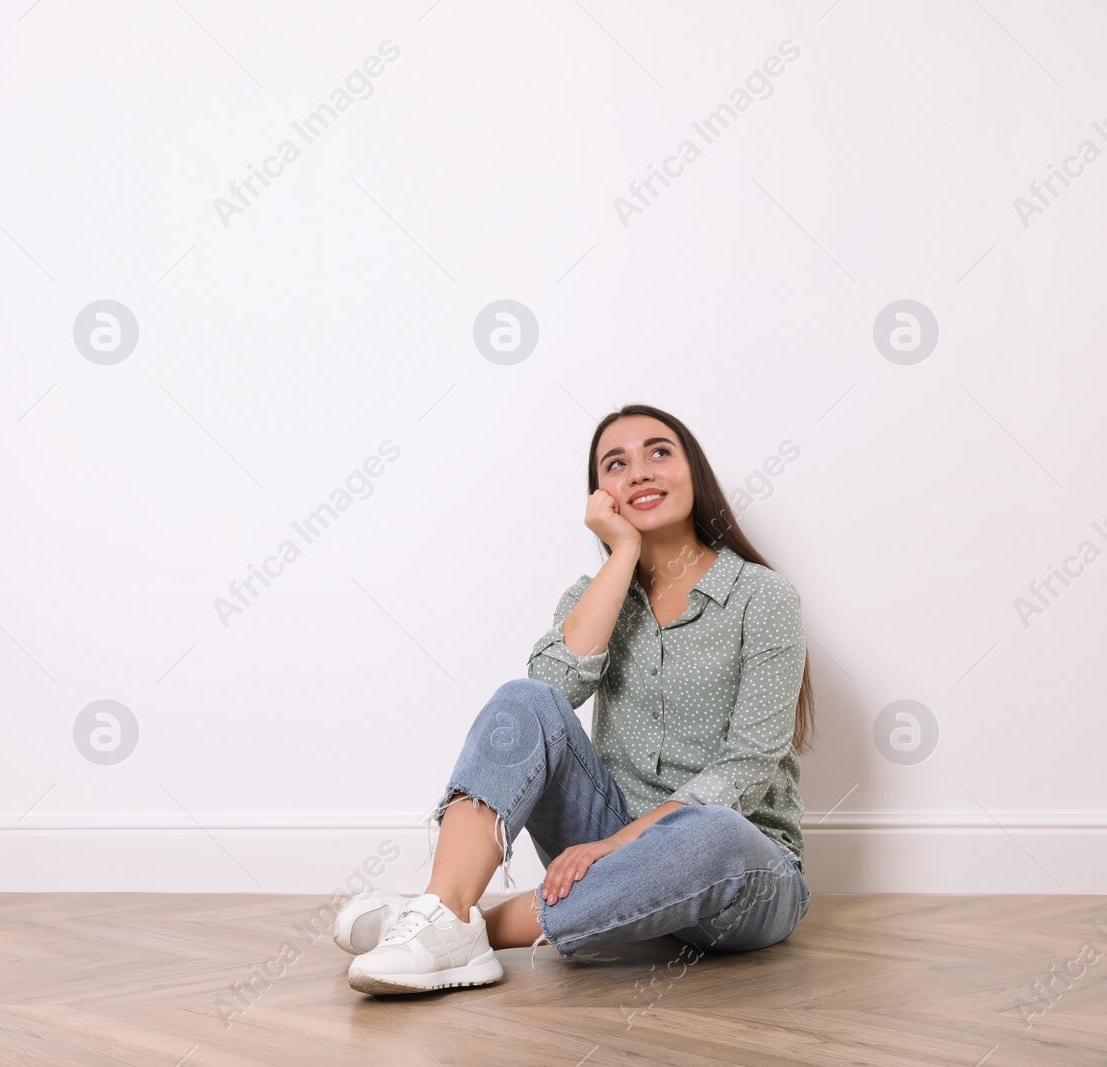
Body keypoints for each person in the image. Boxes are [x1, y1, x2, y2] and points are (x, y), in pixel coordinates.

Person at [336, 404, 815, 995]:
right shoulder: (596, 596)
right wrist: (621, 557)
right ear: (601, 497)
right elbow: (546, 698)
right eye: (616, 464)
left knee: (712, 832)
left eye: (658, 452)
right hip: (604, 846)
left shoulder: (764, 597)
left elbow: (748, 766)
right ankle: (445, 905)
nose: (638, 472)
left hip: (738, 867)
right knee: (522, 696)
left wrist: (616, 846)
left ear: (696, 472)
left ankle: (458, 928)